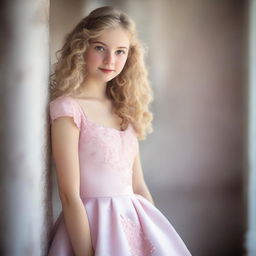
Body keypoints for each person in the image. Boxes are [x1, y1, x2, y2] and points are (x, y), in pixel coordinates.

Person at [47, 5, 192, 256]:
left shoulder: (124, 109)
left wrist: (152, 236)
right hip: (91, 228)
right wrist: (87, 252)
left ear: (129, 56)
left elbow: (138, 184)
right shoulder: (68, 109)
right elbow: (69, 194)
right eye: (100, 48)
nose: (110, 60)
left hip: (135, 224)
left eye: (120, 51)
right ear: (82, 47)